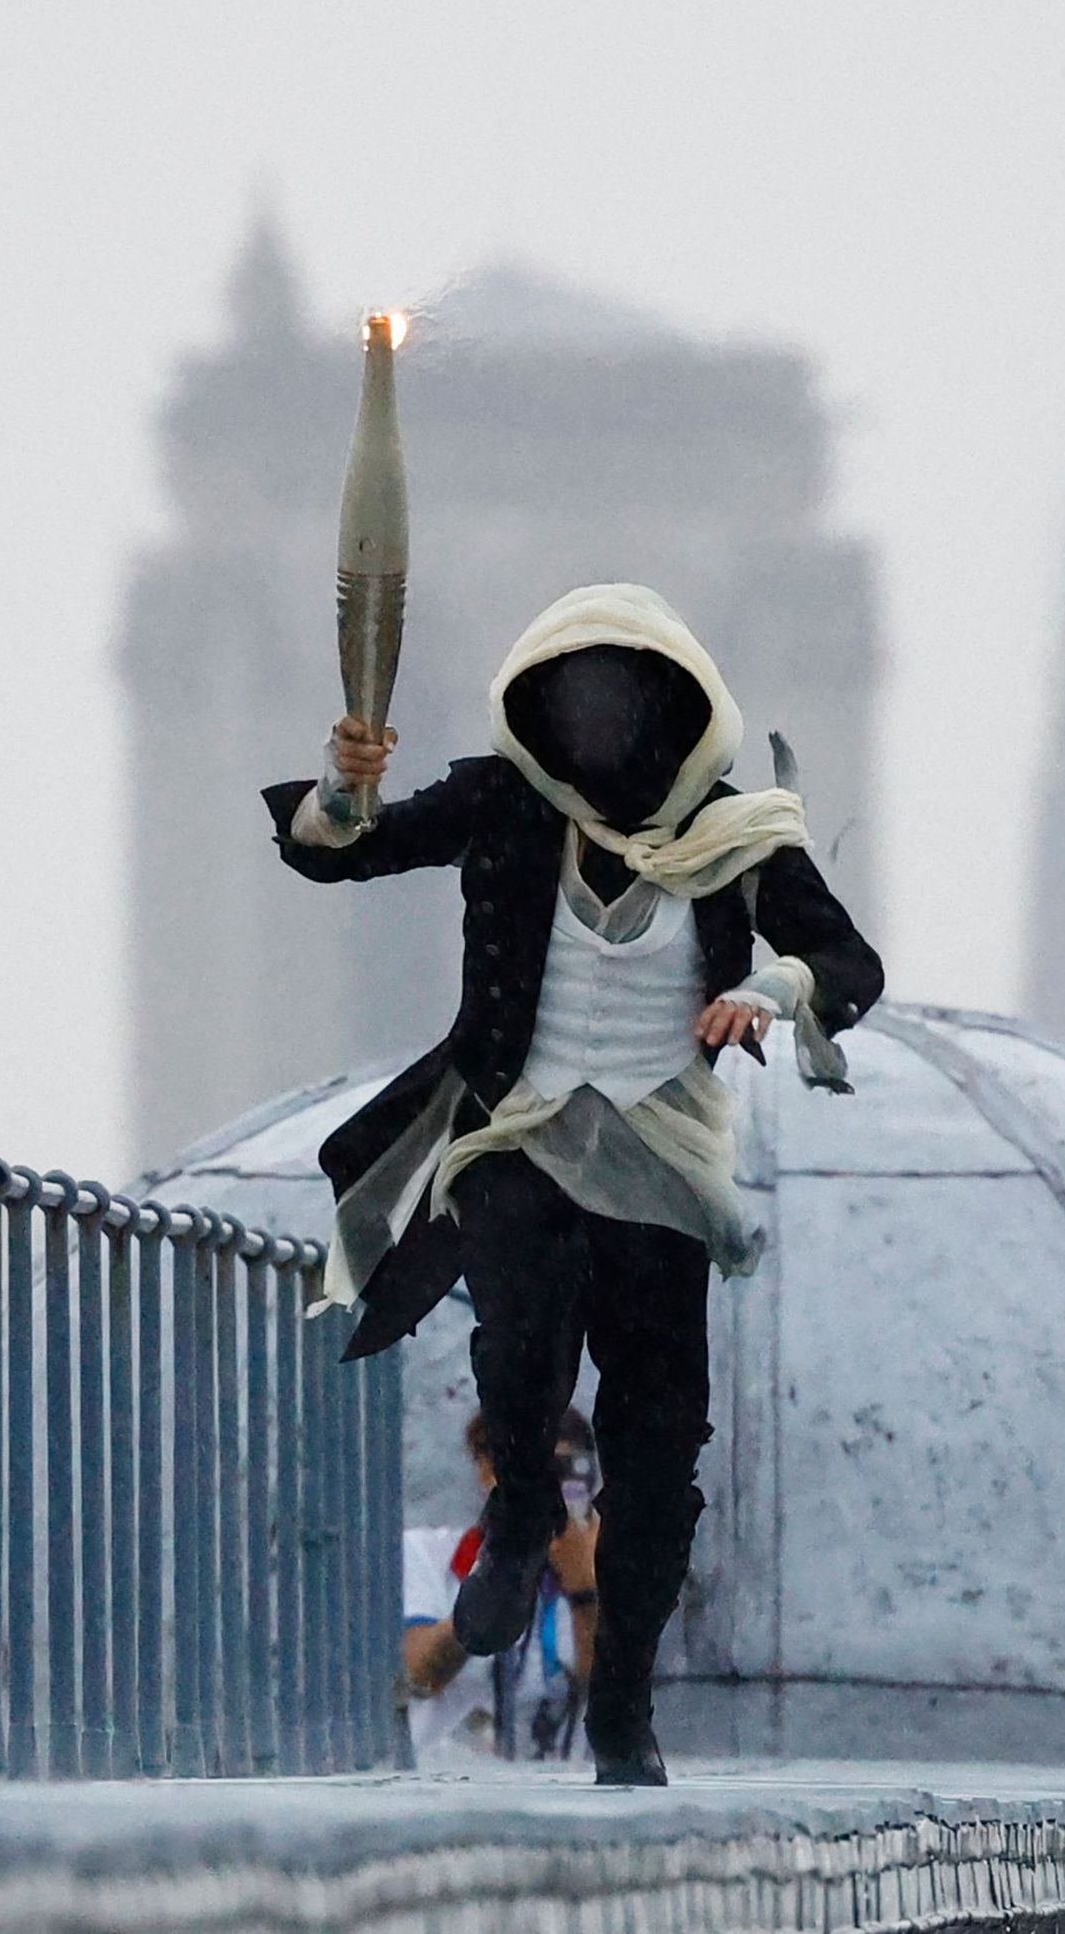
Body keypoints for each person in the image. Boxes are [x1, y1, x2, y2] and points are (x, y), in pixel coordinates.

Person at [265, 583, 884, 1784]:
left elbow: (846, 960)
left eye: (620, 700)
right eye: (574, 700)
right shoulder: (501, 802)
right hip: (521, 1132)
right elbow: (352, 852)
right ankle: (518, 1525)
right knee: (522, 1344)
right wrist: (344, 788)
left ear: (672, 711)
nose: (595, 728)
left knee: (660, 1440)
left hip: (660, 1157)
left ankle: (625, 1707)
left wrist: (774, 991)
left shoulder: (735, 834)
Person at [403, 1407, 599, 1767]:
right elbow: (420, 1675)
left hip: (563, 1794)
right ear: (485, 1470)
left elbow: (610, 1692)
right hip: (443, 1789)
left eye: (556, 1472)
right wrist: (495, 1581)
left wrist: (585, 1590)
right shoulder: (428, 1556)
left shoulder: (600, 1576)